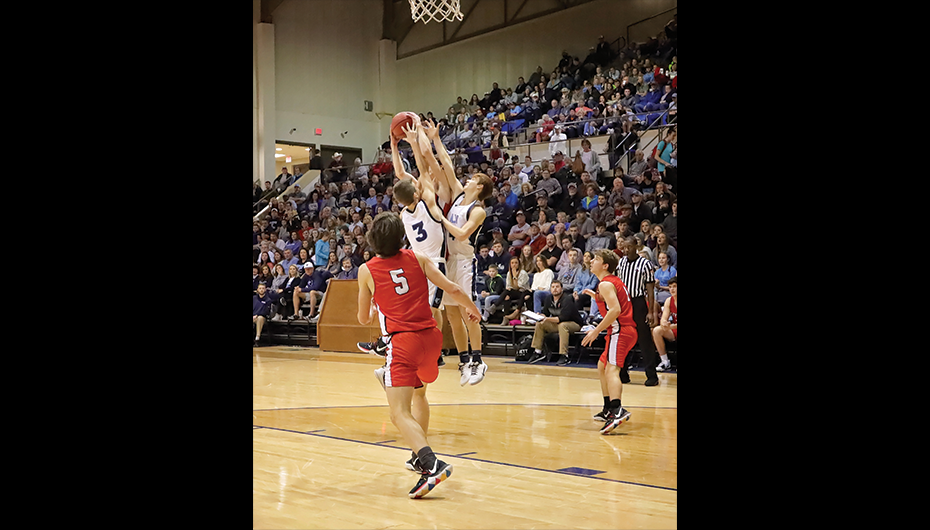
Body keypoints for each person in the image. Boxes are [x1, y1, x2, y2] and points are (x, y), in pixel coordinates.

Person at [357, 212, 480, 498]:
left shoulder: (367, 270)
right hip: (431, 339)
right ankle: (416, 455)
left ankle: (430, 463)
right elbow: (454, 289)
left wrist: (376, 306)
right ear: (401, 236)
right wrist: (473, 310)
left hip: (403, 344)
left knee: (398, 412)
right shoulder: (419, 257)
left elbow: (363, 319)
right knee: (419, 395)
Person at [425, 124, 495, 386]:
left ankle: (478, 359)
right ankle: (464, 359)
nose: (466, 180)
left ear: (479, 187)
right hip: (448, 261)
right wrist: (435, 139)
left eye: (472, 179)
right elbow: (445, 162)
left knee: (468, 312)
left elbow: (463, 234)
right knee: (452, 315)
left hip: (465, 262)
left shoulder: (478, 210)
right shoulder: (457, 196)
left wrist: (441, 218)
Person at [580, 249, 636, 434]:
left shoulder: (605, 284)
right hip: (622, 330)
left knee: (612, 369)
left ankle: (617, 409)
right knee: (602, 365)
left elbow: (615, 310)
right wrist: (594, 296)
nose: (591, 261)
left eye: (596, 259)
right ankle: (607, 408)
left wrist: (596, 330)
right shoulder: (610, 283)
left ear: (605, 265)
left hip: (620, 330)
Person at [614, 236, 660, 386]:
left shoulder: (645, 264)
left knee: (644, 339)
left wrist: (651, 311)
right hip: (624, 303)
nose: (626, 250)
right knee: (623, 337)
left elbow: (650, 290)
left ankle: (651, 376)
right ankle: (623, 373)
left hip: (638, 302)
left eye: (629, 247)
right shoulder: (621, 262)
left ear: (636, 246)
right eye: (624, 247)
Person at [527, 279, 586, 366]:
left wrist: (546, 318)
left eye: (557, 287)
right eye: (553, 287)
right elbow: (546, 313)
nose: (555, 289)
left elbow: (563, 318)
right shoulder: (548, 299)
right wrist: (540, 316)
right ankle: (538, 352)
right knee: (540, 324)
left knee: (563, 325)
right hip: (558, 324)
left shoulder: (567, 299)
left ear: (562, 289)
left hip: (574, 324)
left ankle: (564, 355)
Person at [652, 276, 677, 372]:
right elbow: (663, 319)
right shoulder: (668, 300)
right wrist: (664, 323)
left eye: (674, 286)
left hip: (674, 326)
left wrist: (671, 326)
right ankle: (665, 361)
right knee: (657, 330)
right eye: (670, 287)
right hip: (674, 329)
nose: (672, 289)